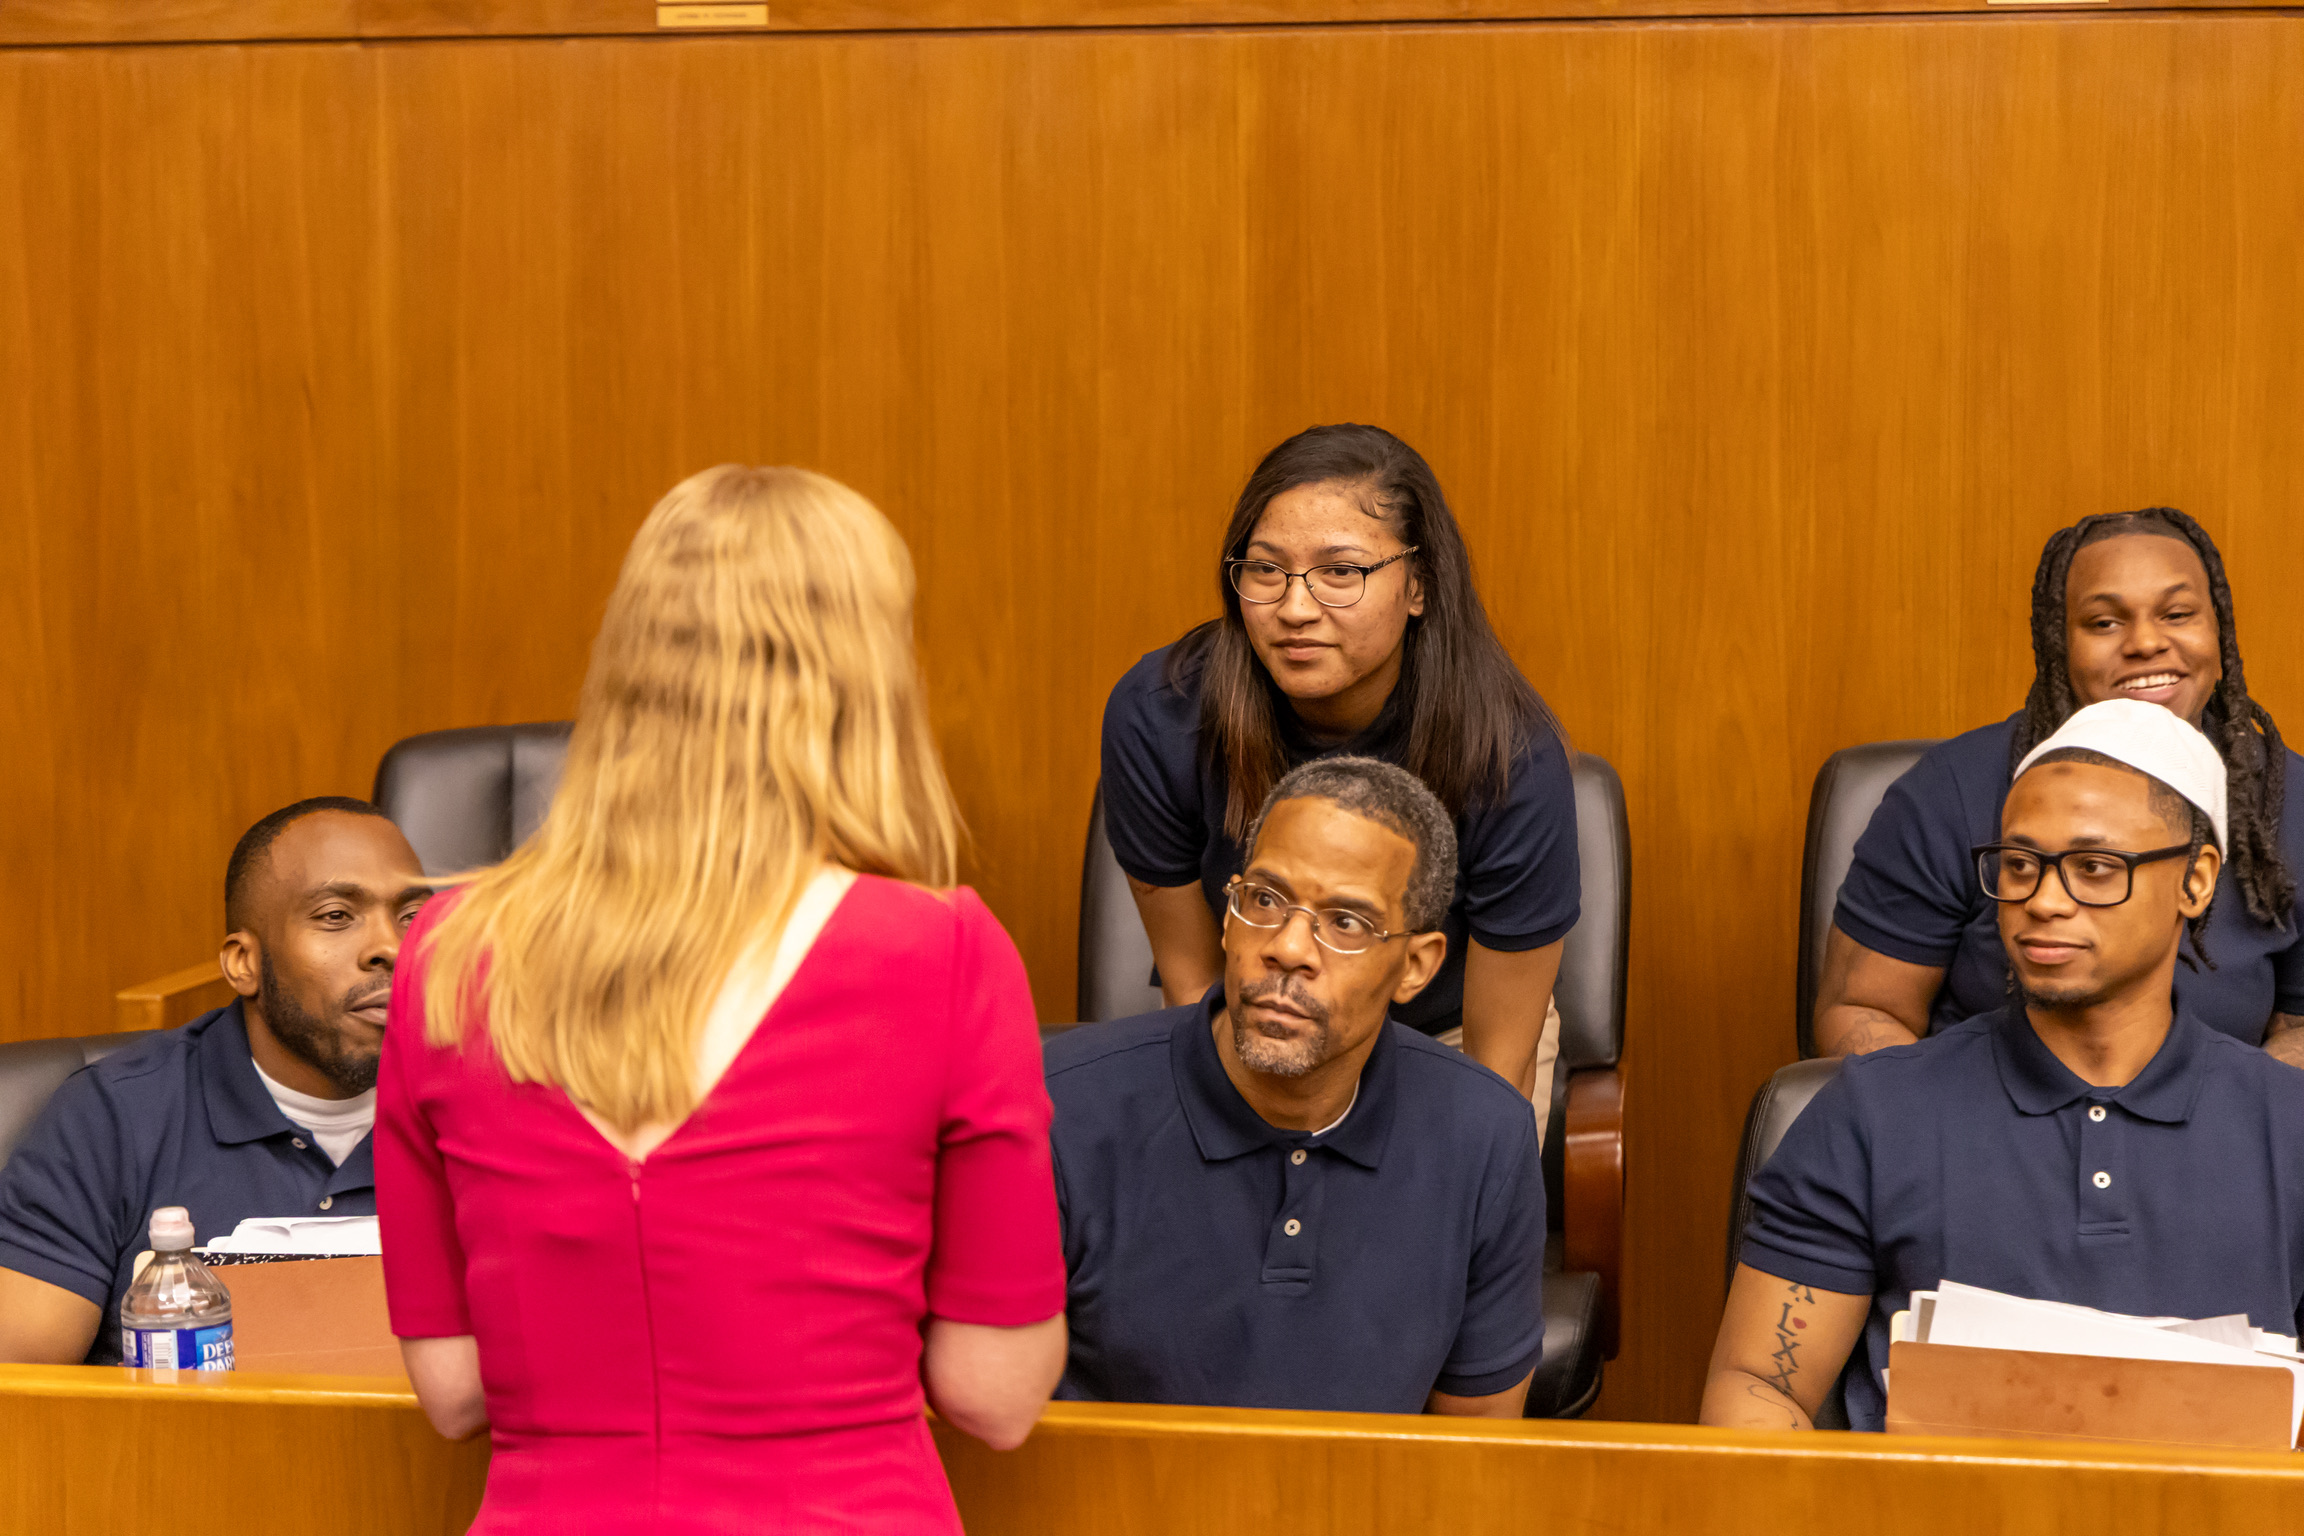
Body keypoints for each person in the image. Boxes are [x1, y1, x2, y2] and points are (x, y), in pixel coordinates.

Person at [376, 465, 1068, 1534]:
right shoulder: (944, 951)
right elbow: (997, 1391)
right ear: (863, 680)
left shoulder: (445, 953)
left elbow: (455, 1392)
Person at [1704, 700, 2304, 1433]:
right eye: (2020, 865)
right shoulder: (1870, 1115)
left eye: (2094, 867)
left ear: (2195, 881)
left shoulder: (2289, 1127)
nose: (2043, 901)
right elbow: (1759, 1389)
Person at [1101, 423, 1579, 1127]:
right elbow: (1193, 985)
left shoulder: (1509, 756)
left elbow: (1496, 1071)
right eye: (1265, 569)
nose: (1294, 609)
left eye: (1341, 572)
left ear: (1418, 585)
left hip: (1438, 1038)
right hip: (1250, 1015)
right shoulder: (1162, 715)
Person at [1048, 755, 1545, 1416]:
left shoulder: (1486, 1137)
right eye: (1265, 900)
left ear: (1416, 967)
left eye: (1346, 922)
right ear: (1227, 918)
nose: (1287, 947)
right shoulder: (1057, 1108)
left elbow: (1475, 1455)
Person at [1817, 507, 2304, 1063]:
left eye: (2177, 614)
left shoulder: (2291, 802)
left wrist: (2227, 1133)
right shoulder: (1949, 790)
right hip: (1984, 1130)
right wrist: (1958, 1138)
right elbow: (1862, 1010)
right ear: (2058, 641)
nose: (2146, 642)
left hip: (2216, 1134)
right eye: (2104, 622)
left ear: (2217, 630)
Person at [0, 797, 429, 1364]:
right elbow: (21, 1395)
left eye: (412, 917)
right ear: (243, 963)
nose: (390, 949)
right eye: (335, 916)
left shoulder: (495, 1107)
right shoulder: (114, 1118)